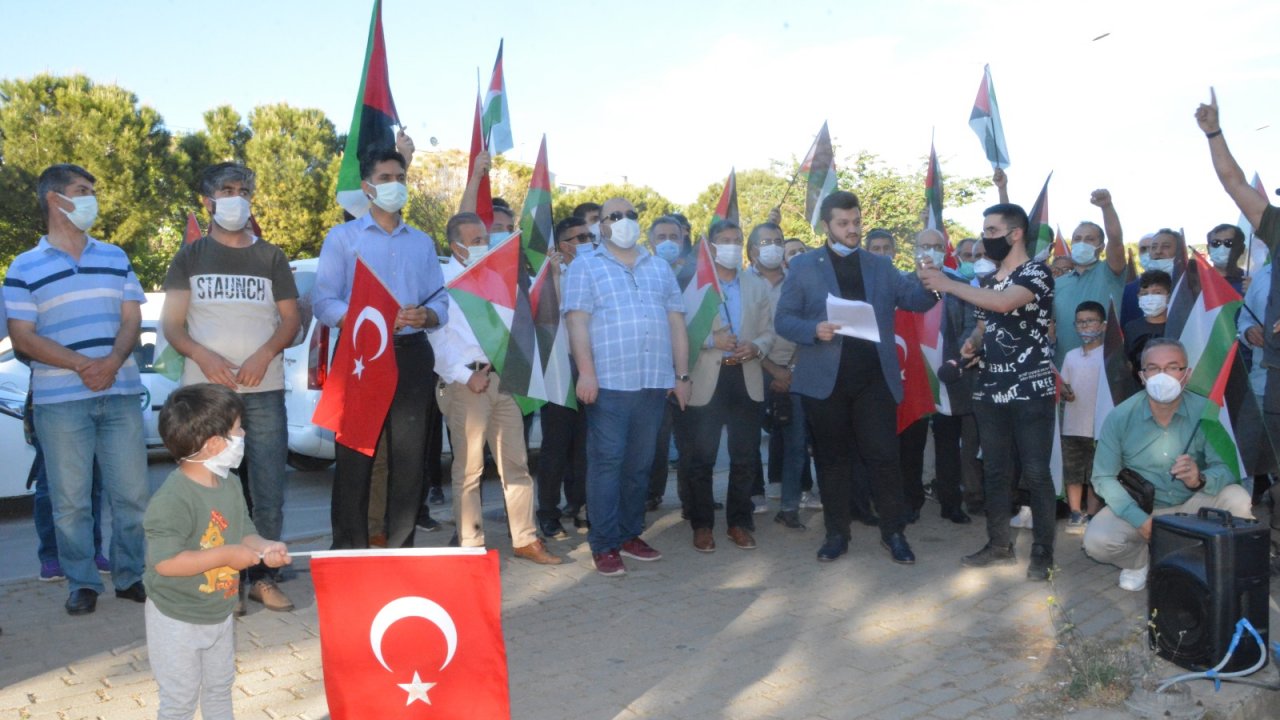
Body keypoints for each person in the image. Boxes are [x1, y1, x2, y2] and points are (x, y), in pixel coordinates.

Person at [5, 163, 150, 615]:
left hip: (121, 392)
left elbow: (131, 320)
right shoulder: (23, 266)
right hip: (60, 401)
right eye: (82, 190)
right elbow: (23, 336)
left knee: (132, 495)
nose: (92, 198)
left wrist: (109, 363)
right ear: (54, 199)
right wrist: (85, 365)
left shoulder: (116, 256)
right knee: (70, 503)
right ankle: (81, 582)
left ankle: (130, 577)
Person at [161, 162, 301, 612]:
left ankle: (263, 577)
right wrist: (205, 357)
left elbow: (292, 319)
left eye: (243, 189)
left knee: (268, 491)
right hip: (208, 396)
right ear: (208, 201)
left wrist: (264, 355)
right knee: (213, 488)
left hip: (264, 391)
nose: (236, 196)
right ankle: (226, 585)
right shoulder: (190, 257)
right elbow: (173, 326)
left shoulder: (271, 256)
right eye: (226, 189)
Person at [775, 191, 936, 564]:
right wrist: (815, 329)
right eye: (844, 224)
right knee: (832, 460)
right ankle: (836, 533)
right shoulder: (803, 266)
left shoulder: (879, 265)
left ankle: (893, 533)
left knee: (884, 457)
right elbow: (783, 319)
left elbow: (914, 298)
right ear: (827, 226)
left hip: (874, 380)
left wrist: (931, 282)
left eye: (856, 222)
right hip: (824, 381)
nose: (853, 230)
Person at [312, 148, 449, 550]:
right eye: (386, 178)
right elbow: (325, 303)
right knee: (355, 457)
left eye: (400, 177)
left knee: (410, 461)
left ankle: (400, 547)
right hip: (360, 356)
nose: (395, 185)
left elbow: (441, 301)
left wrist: (427, 315)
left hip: (411, 354)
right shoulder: (343, 238)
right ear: (368, 187)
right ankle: (348, 549)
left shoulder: (422, 243)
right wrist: (369, 321)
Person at [919, 202, 1057, 581]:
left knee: (1035, 472)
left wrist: (949, 284)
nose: (985, 238)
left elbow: (1005, 303)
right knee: (995, 470)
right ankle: (999, 545)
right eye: (984, 231)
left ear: (1015, 234)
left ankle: (1043, 554)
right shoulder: (991, 277)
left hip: (1031, 389)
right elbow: (986, 322)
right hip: (991, 387)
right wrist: (974, 344)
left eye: (992, 231)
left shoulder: (1037, 272)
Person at [144, 383, 291, 719]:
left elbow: (245, 532)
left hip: (218, 610)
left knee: (219, 688)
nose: (244, 433)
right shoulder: (172, 500)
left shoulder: (229, 483)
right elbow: (165, 563)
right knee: (179, 701)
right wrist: (227, 555)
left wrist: (266, 547)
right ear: (213, 444)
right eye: (238, 428)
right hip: (176, 618)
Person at [562, 213, 691, 576]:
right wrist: (586, 372)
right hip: (609, 384)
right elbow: (576, 321)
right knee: (607, 464)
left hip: (653, 381)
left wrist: (681, 375)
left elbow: (676, 321)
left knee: (639, 465)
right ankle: (603, 544)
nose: (625, 221)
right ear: (601, 225)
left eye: (632, 215)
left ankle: (629, 534)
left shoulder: (658, 266)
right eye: (614, 216)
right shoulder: (585, 264)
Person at [431, 212, 561, 564]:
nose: (483, 246)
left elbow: (514, 328)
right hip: (466, 385)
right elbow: (436, 341)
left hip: (503, 380)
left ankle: (526, 539)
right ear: (455, 246)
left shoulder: (496, 279)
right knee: (469, 468)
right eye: (474, 241)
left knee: (516, 463)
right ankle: (470, 544)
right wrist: (464, 375)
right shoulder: (441, 281)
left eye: (484, 239)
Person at [1083, 338, 1254, 590]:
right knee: (1096, 541)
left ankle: (1210, 563)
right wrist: (1139, 519)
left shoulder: (1207, 412)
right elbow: (1103, 477)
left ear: (1187, 374)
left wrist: (1200, 479)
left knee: (1238, 498)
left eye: (1173, 367)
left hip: (1194, 503)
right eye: (1153, 368)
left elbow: (1228, 467)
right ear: (1142, 376)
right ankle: (1139, 562)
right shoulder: (1120, 417)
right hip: (1142, 507)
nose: (1163, 375)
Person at [1197, 87, 1280, 533]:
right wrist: (1215, 132)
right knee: (1251, 460)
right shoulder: (1276, 237)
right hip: (1272, 378)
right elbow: (1234, 183)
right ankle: (1248, 543)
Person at [684, 220, 774, 551]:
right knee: (701, 457)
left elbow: (769, 331)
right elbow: (682, 334)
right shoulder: (696, 286)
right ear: (710, 246)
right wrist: (712, 340)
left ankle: (738, 522)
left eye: (737, 240)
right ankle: (702, 524)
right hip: (708, 377)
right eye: (725, 240)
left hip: (746, 376)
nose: (732, 246)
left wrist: (758, 347)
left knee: (745, 456)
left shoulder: (756, 285)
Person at [910, 229, 975, 525]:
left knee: (949, 447)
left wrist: (959, 357)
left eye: (937, 246)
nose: (931, 251)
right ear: (914, 249)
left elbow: (972, 327)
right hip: (913, 376)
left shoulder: (959, 284)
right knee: (911, 444)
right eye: (925, 245)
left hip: (950, 377)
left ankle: (951, 503)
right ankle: (910, 501)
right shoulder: (902, 284)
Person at [536, 216, 592, 537]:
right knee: (555, 448)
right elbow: (551, 318)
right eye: (579, 237)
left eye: (588, 235)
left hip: (590, 370)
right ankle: (548, 512)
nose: (586, 241)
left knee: (585, 445)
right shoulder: (549, 276)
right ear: (562, 245)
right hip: (559, 371)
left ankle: (581, 506)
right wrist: (555, 276)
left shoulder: (597, 271)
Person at [1052, 190, 1126, 369]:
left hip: (1105, 366)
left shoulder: (1111, 272)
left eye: (1089, 239)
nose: (1082, 243)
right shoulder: (1058, 283)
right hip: (1065, 367)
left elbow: (1116, 240)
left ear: (1101, 246)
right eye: (1077, 239)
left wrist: (1106, 207)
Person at [1059, 301, 1108, 534]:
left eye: (1090, 321)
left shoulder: (1109, 355)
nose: (1085, 326)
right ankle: (1075, 512)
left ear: (1103, 325)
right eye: (1080, 322)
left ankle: (1092, 514)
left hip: (1100, 427)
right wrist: (1065, 393)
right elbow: (1065, 387)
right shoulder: (1070, 356)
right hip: (1073, 424)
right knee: (1074, 472)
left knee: (1095, 474)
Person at [1120, 230, 1181, 327]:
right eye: (1154, 247)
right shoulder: (1130, 290)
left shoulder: (1192, 284)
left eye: (1166, 246)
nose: (1158, 251)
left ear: (1180, 251)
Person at [1123, 270, 1172, 381]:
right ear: (1138, 296)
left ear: (1168, 296)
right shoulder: (1131, 328)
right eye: (1144, 294)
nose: (1150, 298)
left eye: (1157, 292)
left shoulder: (1178, 325)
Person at [1206, 223, 1246, 294]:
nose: (1222, 248)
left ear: (1241, 248)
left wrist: (1253, 292)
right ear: (1208, 248)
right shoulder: (1199, 281)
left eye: (1228, 243)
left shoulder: (1250, 279)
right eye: (1216, 243)